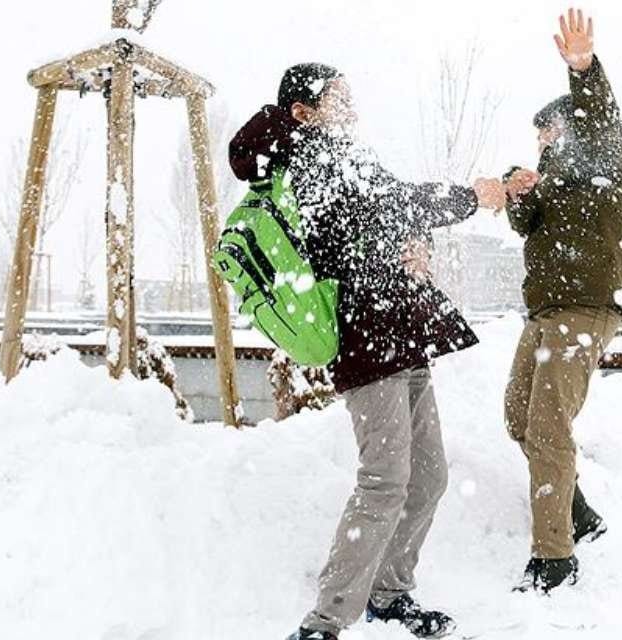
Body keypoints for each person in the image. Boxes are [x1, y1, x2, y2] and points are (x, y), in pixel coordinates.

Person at [228, 63, 508, 640]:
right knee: (385, 478)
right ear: (303, 111)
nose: (352, 106)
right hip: (365, 339)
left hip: (400, 332)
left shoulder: (343, 155)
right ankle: (325, 622)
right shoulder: (307, 159)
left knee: (428, 475)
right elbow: (390, 204)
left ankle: (390, 594)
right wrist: (471, 198)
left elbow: (387, 218)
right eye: (338, 97)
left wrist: (417, 244)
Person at [501, 8, 622, 594]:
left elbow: (599, 117)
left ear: (573, 127)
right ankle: (578, 511)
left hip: (585, 308)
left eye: (549, 133)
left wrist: (583, 69)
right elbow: (524, 225)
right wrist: (517, 190)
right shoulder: (554, 180)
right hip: (546, 311)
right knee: (519, 416)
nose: (543, 143)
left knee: (548, 427)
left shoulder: (608, 156)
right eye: (538, 137)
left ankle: (555, 558)